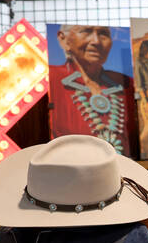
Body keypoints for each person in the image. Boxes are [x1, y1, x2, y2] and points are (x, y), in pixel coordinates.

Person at [50, 25, 135, 155]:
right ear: (63, 40)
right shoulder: (50, 78)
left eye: (103, 34)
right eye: (86, 31)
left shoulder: (126, 84)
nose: (96, 41)